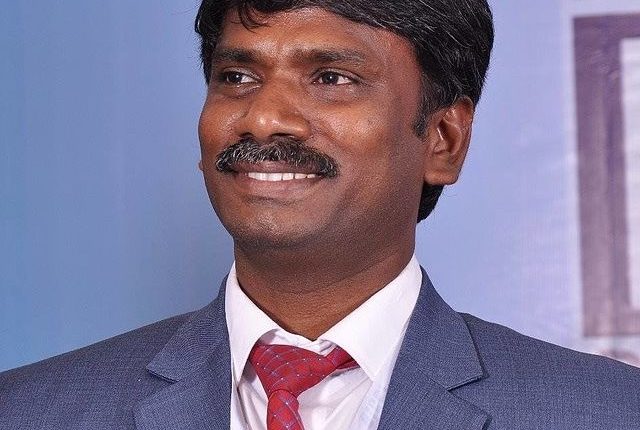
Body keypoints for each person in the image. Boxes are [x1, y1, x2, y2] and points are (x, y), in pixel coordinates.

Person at [1, 0, 639, 429]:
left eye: (331, 78)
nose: (262, 117)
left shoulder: (606, 414)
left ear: (444, 140)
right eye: (237, 77)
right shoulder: (29, 412)